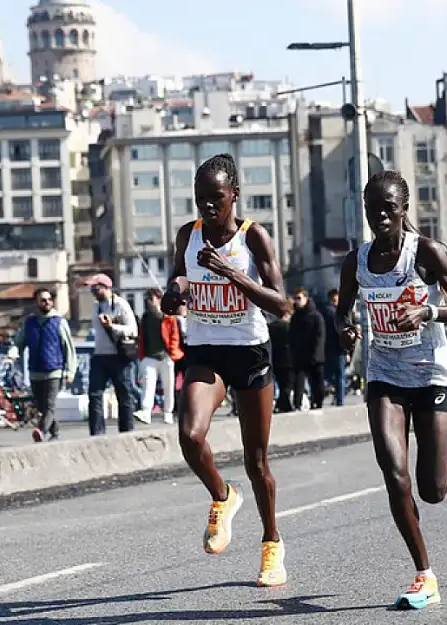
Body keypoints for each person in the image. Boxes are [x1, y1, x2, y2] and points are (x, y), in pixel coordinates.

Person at [334, 170, 447, 610]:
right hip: (384, 375)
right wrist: (346, 331)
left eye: (388, 208)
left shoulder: (425, 253)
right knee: (393, 472)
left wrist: (428, 312)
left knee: (432, 490)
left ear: (404, 210)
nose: (380, 216)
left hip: (431, 374)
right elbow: (342, 314)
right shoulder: (355, 262)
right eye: (372, 209)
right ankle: (424, 575)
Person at [160, 153, 290, 587]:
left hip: (250, 352)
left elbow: (281, 305)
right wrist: (173, 294)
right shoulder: (189, 234)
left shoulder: (254, 238)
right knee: (190, 434)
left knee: (257, 461)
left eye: (216, 198)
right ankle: (222, 495)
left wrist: (233, 274)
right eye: (201, 200)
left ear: (234, 194)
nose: (208, 208)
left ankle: (272, 544)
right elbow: (180, 274)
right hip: (206, 350)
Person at [12, 287, 77, 441]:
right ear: (37, 303)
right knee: (41, 407)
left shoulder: (59, 322)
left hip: (54, 370)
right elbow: (19, 342)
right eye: (43, 300)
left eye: (49, 299)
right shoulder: (30, 323)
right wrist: (12, 355)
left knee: (49, 405)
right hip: (35, 371)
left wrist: (71, 370)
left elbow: (69, 347)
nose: (47, 302)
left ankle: (41, 430)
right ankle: (55, 432)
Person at [84, 273, 139, 436]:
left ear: (106, 287)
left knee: (124, 394)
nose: (93, 291)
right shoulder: (96, 306)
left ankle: (127, 431)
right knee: (94, 394)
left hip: (118, 356)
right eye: (92, 288)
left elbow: (132, 329)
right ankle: (97, 433)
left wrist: (112, 326)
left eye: (96, 287)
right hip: (100, 355)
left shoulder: (121, 304)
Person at [136, 288, 183, 425]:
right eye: (148, 299)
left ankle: (168, 412)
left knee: (169, 385)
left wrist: (172, 353)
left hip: (166, 355)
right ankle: (146, 411)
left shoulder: (168, 317)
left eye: (152, 299)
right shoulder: (145, 317)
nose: (149, 302)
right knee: (148, 384)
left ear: (158, 299)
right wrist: (142, 355)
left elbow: (174, 336)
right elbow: (142, 337)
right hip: (150, 356)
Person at [289, 288, 326, 410]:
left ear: (306, 298)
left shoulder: (316, 316)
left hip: (315, 356)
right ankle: (297, 404)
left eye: (299, 298)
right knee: (298, 381)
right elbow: (291, 336)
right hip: (300, 356)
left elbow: (320, 337)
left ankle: (318, 402)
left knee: (317, 382)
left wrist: (316, 355)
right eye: (295, 298)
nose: (297, 301)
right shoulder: (295, 317)